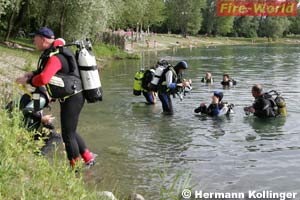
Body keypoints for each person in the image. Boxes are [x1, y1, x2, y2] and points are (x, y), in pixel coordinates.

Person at [15, 27, 95, 168]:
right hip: (70, 96)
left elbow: (44, 78)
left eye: (35, 38)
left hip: (73, 97)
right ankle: (88, 158)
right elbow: (44, 73)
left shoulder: (56, 57)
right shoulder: (52, 53)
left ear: (44, 39)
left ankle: (75, 169)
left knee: (67, 134)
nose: (33, 41)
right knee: (70, 130)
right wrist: (31, 74)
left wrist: (27, 81)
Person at [6, 86, 61, 154]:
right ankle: (39, 155)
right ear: (48, 93)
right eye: (53, 99)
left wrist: (45, 122)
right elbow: (27, 110)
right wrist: (41, 118)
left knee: (50, 128)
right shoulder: (41, 98)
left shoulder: (36, 95)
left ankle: (35, 152)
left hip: (15, 121)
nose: (52, 102)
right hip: (20, 125)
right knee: (57, 137)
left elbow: (31, 112)